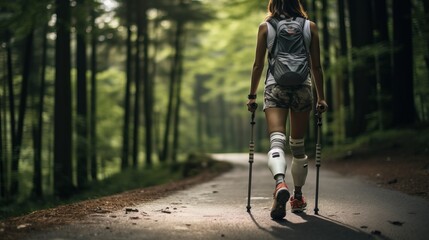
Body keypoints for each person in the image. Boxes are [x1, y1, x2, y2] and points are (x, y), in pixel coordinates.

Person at [247, 0, 328, 220]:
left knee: (277, 140)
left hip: (275, 87)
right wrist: (321, 98)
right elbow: (316, 66)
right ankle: (298, 197)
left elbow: (258, 65)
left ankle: (280, 183)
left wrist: (252, 95)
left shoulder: (266, 27)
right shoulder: (309, 26)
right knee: (298, 146)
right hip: (303, 88)